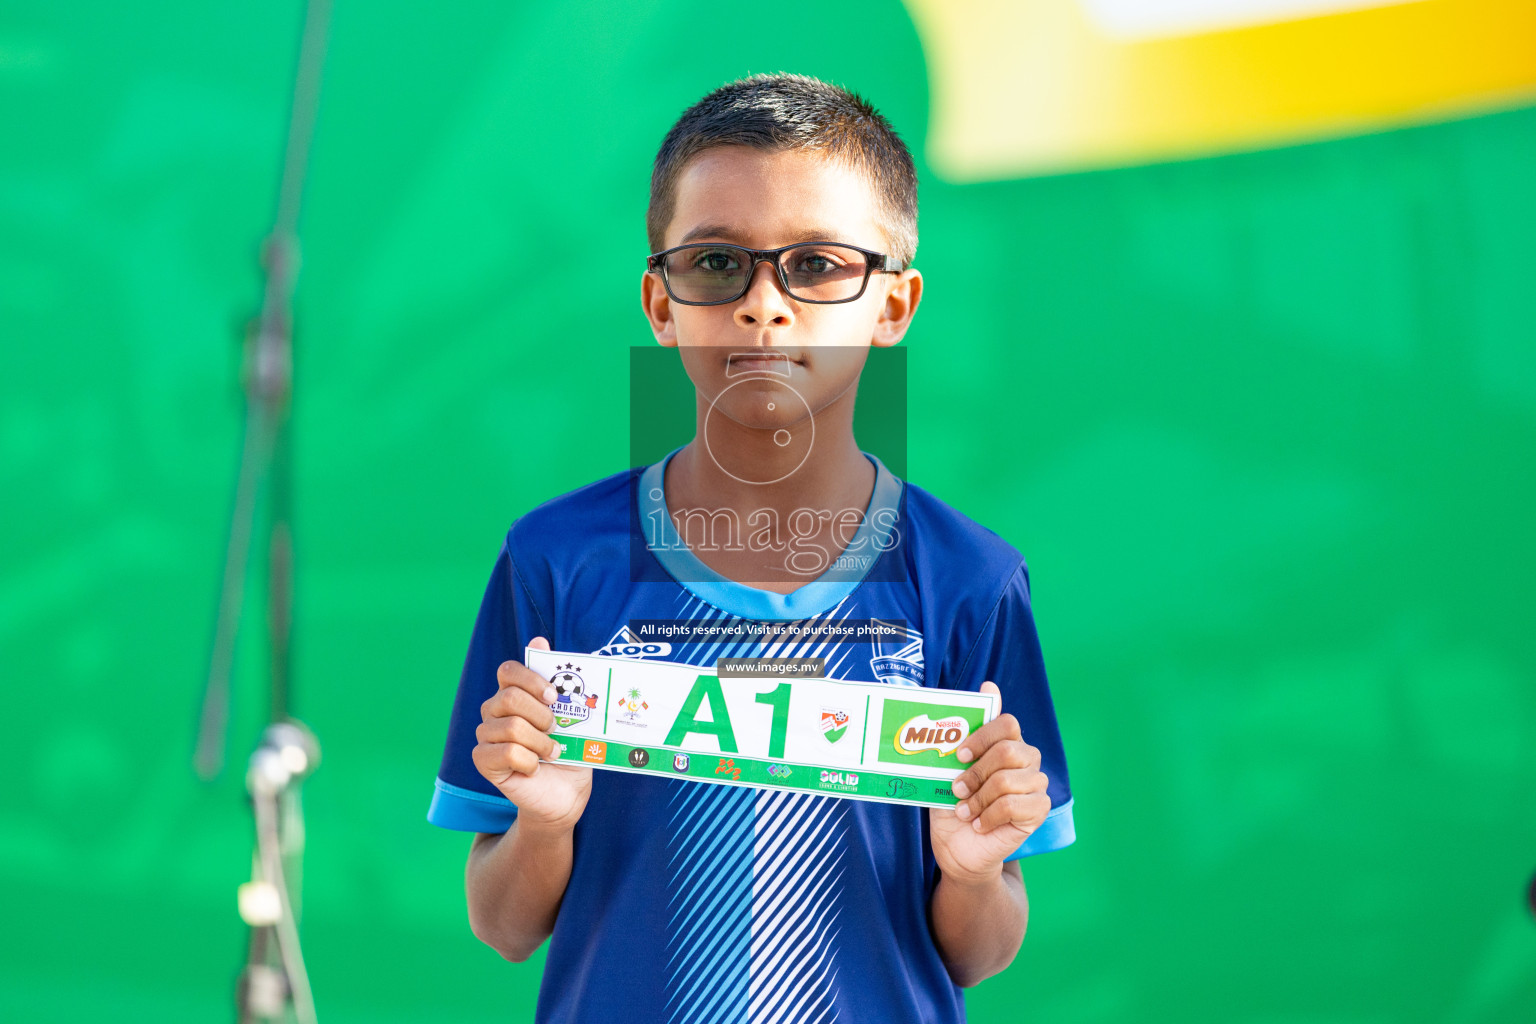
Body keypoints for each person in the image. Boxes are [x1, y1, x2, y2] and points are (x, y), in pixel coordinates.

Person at [427, 73, 1075, 1023]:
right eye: (717, 263)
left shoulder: (972, 582)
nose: (764, 304)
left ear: (895, 306)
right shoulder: (556, 561)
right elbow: (505, 925)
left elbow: (978, 952)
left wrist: (974, 870)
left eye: (816, 265)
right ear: (660, 302)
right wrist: (545, 820)